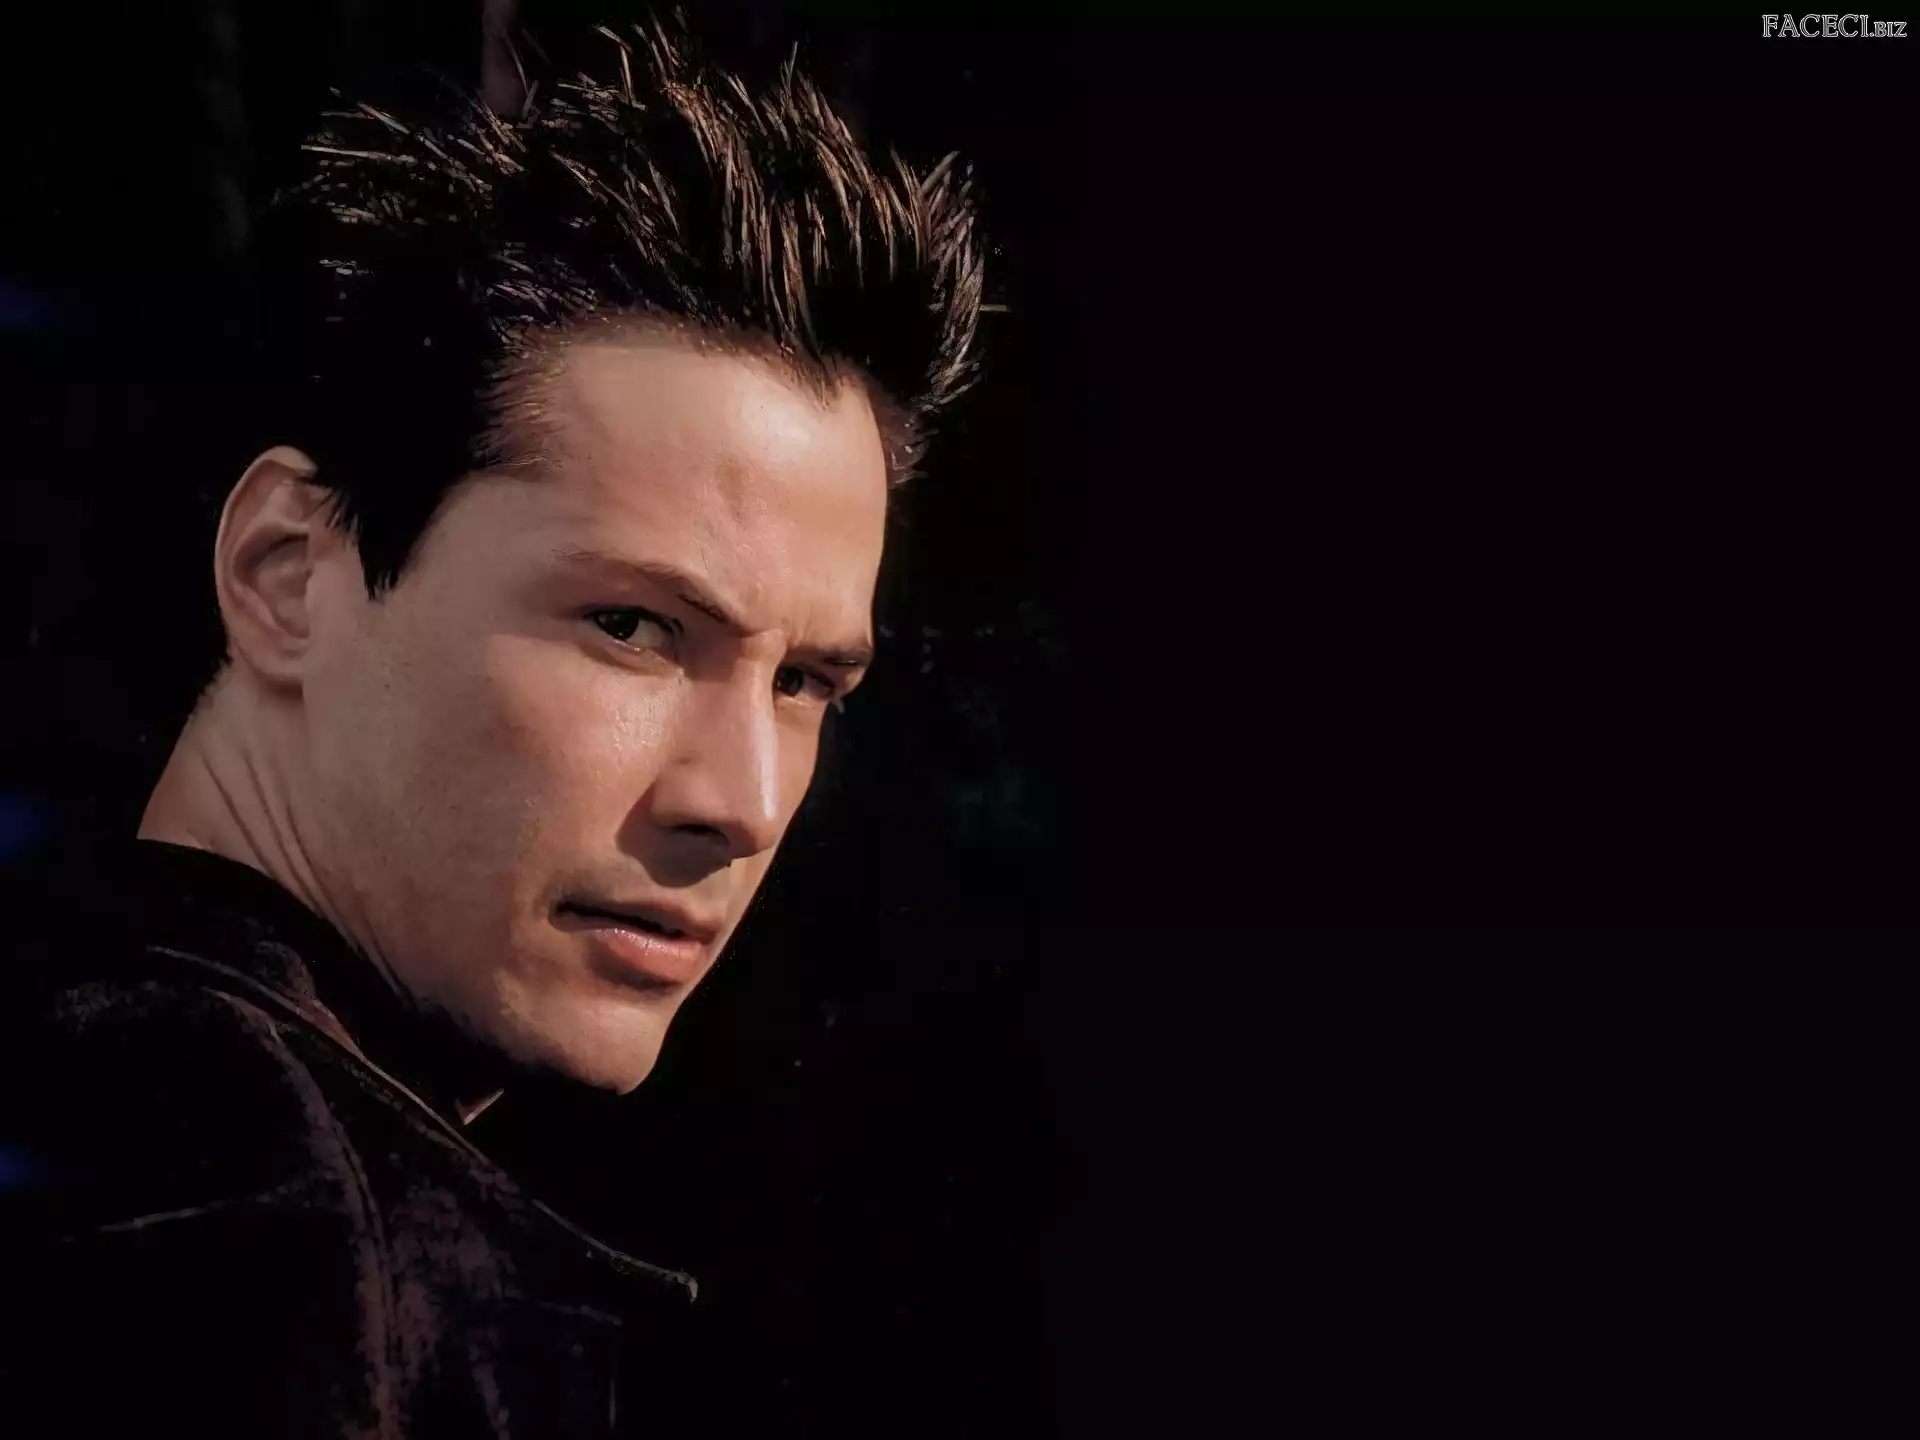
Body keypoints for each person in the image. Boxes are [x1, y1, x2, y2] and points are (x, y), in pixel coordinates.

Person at [0, 15, 984, 1436]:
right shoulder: (231, 1205)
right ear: (287, 573)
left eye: (805, 683)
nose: (745, 802)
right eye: (634, 627)